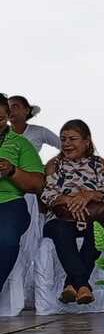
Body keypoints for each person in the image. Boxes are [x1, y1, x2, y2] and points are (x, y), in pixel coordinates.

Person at [40, 120, 104, 304]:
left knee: (97, 232)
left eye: (73, 139)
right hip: (61, 218)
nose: (67, 143)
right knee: (61, 230)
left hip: (94, 216)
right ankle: (82, 285)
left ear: (86, 141)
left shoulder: (101, 164)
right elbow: (47, 194)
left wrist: (88, 195)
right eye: (63, 139)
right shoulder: (54, 164)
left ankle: (71, 285)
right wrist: (69, 200)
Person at [0, 95, 44, 292]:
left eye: (0, 119)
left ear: (8, 117)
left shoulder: (20, 143)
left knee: (6, 240)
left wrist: (12, 171)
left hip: (8, 203)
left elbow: (38, 184)